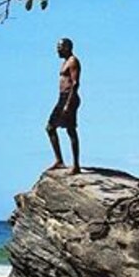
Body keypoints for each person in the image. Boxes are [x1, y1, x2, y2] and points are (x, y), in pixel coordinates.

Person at [46, 38, 81, 175]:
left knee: (71, 130)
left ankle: (76, 165)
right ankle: (59, 160)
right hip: (62, 98)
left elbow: (75, 83)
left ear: (67, 47)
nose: (57, 50)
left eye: (60, 47)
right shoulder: (65, 62)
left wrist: (68, 104)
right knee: (50, 127)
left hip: (69, 98)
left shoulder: (73, 61)